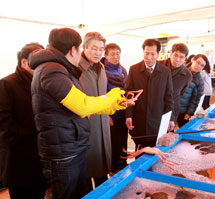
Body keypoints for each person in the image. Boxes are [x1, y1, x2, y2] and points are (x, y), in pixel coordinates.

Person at [29, 28, 126, 199]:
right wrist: (111, 97)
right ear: (74, 49)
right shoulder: (52, 71)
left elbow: (83, 104)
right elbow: (82, 105)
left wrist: (115, 105)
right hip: (63, 150)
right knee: (68, 193)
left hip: (71, 143)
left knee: (79, 192)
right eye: (83, 48)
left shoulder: (59, 68)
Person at [0, 43, 47, 199]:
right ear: (24, 62)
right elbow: (3, 122)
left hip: (40, 155)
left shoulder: (41, 82)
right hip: (19, 157)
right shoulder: (7, 83)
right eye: (38, 61)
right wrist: (26, 134)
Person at [78, 32, 112, 191]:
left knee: (103, 171)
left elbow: (104, 95)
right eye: (94, 48)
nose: (98, 53)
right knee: (85, 174)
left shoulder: (102, 67)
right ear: (84, 47)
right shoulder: (76, 68)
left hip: (102, 123)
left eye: (101, 49)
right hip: (85, 125)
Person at [125, 39, 174, 148]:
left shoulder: (165, 71)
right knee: (139, 152)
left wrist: (171, 118)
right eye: (146, 53)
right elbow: (129, 94)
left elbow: (169, 97)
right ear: (143, 52)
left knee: (156, 153)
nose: (149, 57)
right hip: (138, 121)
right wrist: (128, 115)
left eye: (153, 54)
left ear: (158, 54)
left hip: (157, 121)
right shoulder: (134, 69)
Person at [100, 43, 128, 173]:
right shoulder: (102, 71)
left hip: (123, 111)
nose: (116, 56)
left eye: (118, 53)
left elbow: (126, 89)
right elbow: (102, 94)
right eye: (112, 54)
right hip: (111, 113)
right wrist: (107, 115)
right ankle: (114, 167)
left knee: (123, 139)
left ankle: (123, 162)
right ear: (105, 55)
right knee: (113, 142)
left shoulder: (122, 70)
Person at [160, 43, 192, 124]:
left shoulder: (187, 74)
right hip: (153, 109)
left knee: (168, 134)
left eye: (181, 57)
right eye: (175, 55)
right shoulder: (158, 66)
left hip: (171, 111)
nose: (177, 59)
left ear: (185, 58)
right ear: (170, 53)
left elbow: (181, 94)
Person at [177, 54, 205, 127]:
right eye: (198, 62)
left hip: (183, 110)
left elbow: (195, 99)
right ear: (193, 60)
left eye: (202, 65)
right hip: (170, 107)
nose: (199, 66)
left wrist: (189, 113)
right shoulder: (179, 69)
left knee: (183, 130)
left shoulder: (199, 81)